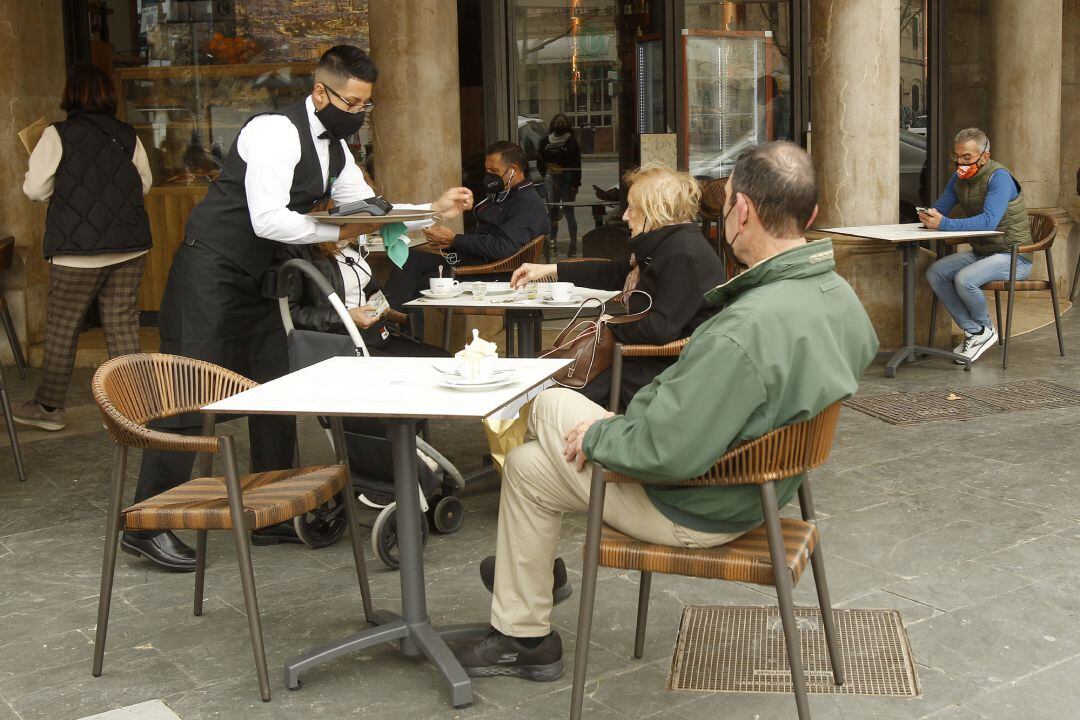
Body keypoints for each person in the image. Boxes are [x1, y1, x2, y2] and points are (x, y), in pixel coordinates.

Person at [453, 142, 879, 681]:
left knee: (543, 397)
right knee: (529, 467)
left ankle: (525, 613)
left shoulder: (744, 329)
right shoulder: (837, 296)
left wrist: (596, 437)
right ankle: (524, 636)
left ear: (741, 209)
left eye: (723, 206)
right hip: (762, 489)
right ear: (811, 215)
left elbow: (665, 451)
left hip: (697, 504)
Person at [123, 45, 472, 571]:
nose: (358, 114)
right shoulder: (273, 132)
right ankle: (149, 522)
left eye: (364, 106)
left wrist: (430, 212)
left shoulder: (336, 149)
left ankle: (270, 513)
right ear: (320, 91)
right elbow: (268, 220)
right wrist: (339, 229)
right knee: (188, 395)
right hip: (211, 273)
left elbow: (371, 211)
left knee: (275, 390)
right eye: (352, 103)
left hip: (263, 279)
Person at [509, 163, 726, 409]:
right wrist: (548, 270)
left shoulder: (683, 254)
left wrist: (610, 324)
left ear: (656, 211)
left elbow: (659, 328)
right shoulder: (666, 245)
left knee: (556, 394)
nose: (624, 216)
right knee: (556, 381)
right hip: (642, 361)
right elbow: (612, 272)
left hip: (665, 375)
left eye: (632, 208)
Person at [15, 64, 153, 432]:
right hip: (128, 247)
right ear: (108, 95)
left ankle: (48, 408)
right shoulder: (127, 134)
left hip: (76, 252)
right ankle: (134, 408)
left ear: (71, 94)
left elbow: (35, 190)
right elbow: (145, 184)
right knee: (122, 326)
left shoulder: (56, 134)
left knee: (63, 328)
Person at [384, 141, 548, 308]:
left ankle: (386, 324)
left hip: (495, 273)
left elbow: (503, 247)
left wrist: (455, 240)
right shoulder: (504, 195)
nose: (489, 176)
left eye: (494, 171)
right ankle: (391, 325)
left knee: (419, 282)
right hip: (476, 262)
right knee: (408, 258)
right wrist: (447, 243)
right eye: (487, 170)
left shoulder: (528, 204)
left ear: (512, 170)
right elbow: (485, 238)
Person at [922, 127, 1031, 364]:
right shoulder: (959, 177)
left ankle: (985, 328)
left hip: (1014, 255)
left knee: (965, 279)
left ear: (985, 156)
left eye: (967, 157)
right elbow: (942, 207)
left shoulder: (999, 177)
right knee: (936, 272)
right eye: (957, 156)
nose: (961, 162)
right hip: (983, 252)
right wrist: (929, 215)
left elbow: (989, 221)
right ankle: (975, 331)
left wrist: (944, 224)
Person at [537, 114, 582, 257]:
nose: (560, 124)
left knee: (569, 213)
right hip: (551, 179)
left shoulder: (571, 141)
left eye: (563, 122)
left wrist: (575, 184)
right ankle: (552, 242)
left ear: (567, 125)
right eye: (558, 122)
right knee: (552, 213)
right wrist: (544, 171)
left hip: (567, 180)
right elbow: (540, 159)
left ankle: (573, 244)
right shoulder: (545, 140)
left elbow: (576, 164)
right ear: (553, 124)